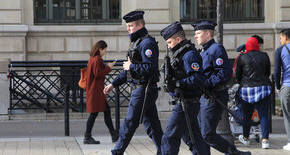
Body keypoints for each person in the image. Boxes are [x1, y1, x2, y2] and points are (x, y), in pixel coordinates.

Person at [104, 11, 163, 155]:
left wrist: (131, 66)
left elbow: (150, 67)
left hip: (144, 89)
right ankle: (165, 151)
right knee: (152, 126)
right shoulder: (137, 43)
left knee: (129, 123)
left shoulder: (146, 43)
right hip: (141, 88)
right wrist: (113, 84)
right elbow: (127, 70)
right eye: (128, 26)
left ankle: (116, 152)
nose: (128, 29)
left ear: (140, 25)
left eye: (131, 26)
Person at [191, 20, 251, 155]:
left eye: (198, 33)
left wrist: (207, 83)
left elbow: (224, 72)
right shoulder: (203, 51)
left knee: (207, 134)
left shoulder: (216, 49)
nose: (195, 36)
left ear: (207, 33)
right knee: (201, 133)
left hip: (213, 95)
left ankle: (234, 153)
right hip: (204, 97)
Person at [160, 21, 209, 155]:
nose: (169, 47)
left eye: (170, 42)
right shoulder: (180, 54)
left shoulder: (189, 55)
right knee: (194, 139)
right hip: (185, 102)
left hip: (187, 103)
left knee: (169, 137)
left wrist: (177, 83)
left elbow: (198, 78)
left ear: (178, 39)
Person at [235, 36, 271, 149]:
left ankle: (246, 138)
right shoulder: (264, 56)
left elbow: (238, 74)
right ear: (257, 45)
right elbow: (268, 72)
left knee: (247, 115)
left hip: (247, 90)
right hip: (263, 89)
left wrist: (243, 83)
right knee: (264, 115)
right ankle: (265, 140)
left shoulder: (242, 57)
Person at [84, 40, 118, 144]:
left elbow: (96, 72)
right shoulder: (97, 59)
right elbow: (98, 74)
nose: (105, 52)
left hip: (94, 91)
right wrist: (109, 67)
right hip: (96, 92)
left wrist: (106, 66)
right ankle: (87, 136)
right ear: (100, 49)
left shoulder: (93, 58)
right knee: (95, 114)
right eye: (104, 50)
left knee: (104, 111)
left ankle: (114, 135)